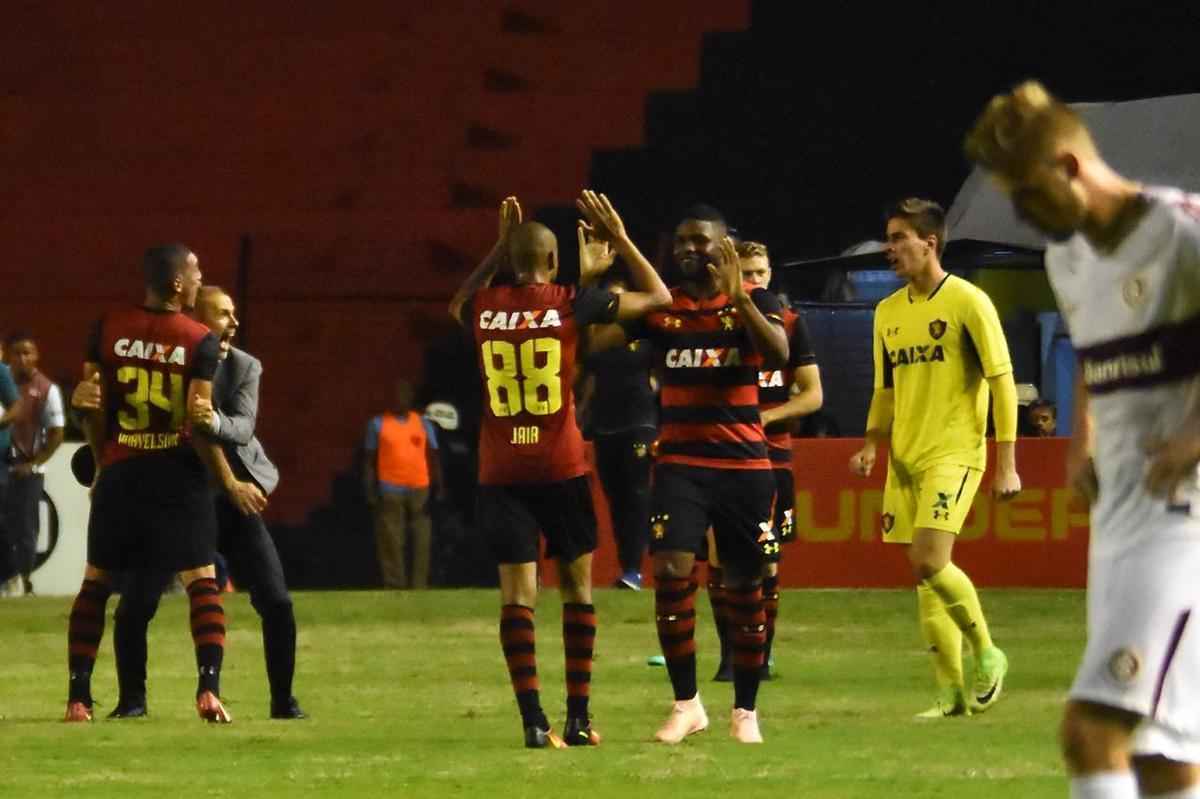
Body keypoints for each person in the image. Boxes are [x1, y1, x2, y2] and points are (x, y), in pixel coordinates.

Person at [966, 80, 1200, 799]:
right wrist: (1082, 438)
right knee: (1162, 754)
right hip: (1121, 518)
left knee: (1090, 728)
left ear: (1069, 167)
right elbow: (1097, 357)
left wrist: (1193, 435)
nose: (1025, 216)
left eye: (1029, 195)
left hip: (1185, 518)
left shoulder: (1181, 233)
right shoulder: (1066, 259)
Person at [449, 191, 670, 748]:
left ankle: (532, 720)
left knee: (517, 596)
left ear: (510, 259)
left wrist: (497, 247)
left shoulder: (484, 306)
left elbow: (458, 304)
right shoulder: (572, 301)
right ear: (553, 261)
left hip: (501, 470)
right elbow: (659, 298)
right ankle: (578, 716)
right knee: (577, 589)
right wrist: (620, 239)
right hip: (561, 465)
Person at [588, 204, 790, 744]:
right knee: (672, 571)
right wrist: (592, 282)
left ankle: (745, 710)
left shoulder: (757, 300)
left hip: (744, 468)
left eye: (699, 240)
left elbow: (778, 353)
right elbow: (596, 345)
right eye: (681, 241)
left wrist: (740, 297)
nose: (688, 249)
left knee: (744, 585)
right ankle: (687, 705)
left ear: (724, 247)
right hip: (680, 466)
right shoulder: (664, 307)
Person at [65, 244, 267, 723]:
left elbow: (91, 404)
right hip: (177, 477)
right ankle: (208, 691)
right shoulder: (199, 340)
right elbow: (198, 422)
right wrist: (228, 482)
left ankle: (78, 698)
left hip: (121, 474)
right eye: (196, 273)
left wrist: (103, 463)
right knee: (202, 580)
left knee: (96, 583)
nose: (199, 280)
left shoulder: (107, 327)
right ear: (177, 283)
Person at [95, 286, 305, 720]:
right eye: (224, 314)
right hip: (178, 499)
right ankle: (132, 702)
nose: (234, 323)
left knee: (277, 601)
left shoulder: (244, 366)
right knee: (136, 603)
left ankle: (283, 702)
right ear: (195, 321)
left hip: (231, 497)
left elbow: (243, 428)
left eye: (234, 314)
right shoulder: (166, 363)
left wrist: (213, 420)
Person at [847, 198, 1020, 718]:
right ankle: (950, 696)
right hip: (905, 456)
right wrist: (872, 443)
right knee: (924, 576)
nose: (889, 248)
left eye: (899, 238)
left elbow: (1002, 382)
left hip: (955, 451)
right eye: (888, 238)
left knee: (928, 559)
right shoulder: (887, 312)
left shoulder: (969, 302)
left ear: (930, 243)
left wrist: (1007, 462)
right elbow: (885, 389)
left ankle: (988, 651)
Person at [721, 240, 822, 680]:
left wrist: (763, 417)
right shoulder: (719, 323)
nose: (754, 281)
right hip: (723, 454)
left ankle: (762, 655)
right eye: (746, 274)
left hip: (772, 457)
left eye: (760, 273)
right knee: (720, 556)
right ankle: (729, 656)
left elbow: (813, 396)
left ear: (771, 274)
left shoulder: (792, 324)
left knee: (767, 556)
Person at [577, 265, 657, 591]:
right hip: (605, 424)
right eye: (610, 300)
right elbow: (589, 374)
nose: (616, 305)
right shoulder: (596, 340)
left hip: (639, 422)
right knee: (616, 498)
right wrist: (582, 411)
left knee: (636, 493)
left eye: (621, 299)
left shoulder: (643, 334)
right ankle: (628, 567)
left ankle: (635, 570)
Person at [3, 332, 65, 597]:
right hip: (2, 465)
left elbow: (57, 433)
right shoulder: (3, 382)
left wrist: (34, 463)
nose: (22, 359)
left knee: (26, 529)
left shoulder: (47, 389)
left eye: (27, 353)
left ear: (37, 356)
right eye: (17, 353)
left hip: (28, 470)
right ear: (8, 356)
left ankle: (23, 582)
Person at [364, 379, 442, 589]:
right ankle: (394, 585)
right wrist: (369, 488)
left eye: (405, 394)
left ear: (411, 397)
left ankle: (419, 585)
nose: (401, 399)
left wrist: (439, 487)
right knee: (391, 537)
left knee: (422, 538)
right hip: (390, 488)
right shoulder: (378, 424)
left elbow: (434, 456)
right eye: (397, 395)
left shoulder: (423, 423)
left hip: (420, 487)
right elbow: (369, 460)